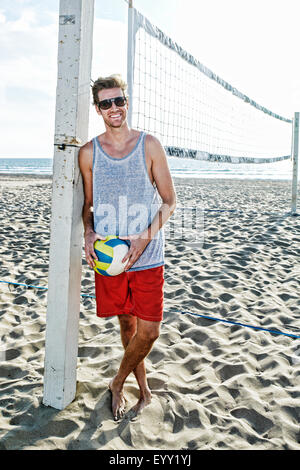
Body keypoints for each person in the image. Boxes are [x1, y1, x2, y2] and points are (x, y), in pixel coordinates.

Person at [78, 74, 176, 420]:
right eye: (106, 103)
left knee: (149, 331)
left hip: (147, 255)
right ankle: (144, 389)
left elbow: (169, 201)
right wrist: (88, 233)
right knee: (126, 328)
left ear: (127, 102)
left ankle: (117, 382)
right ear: (98, 109)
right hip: (110, 260)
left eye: (119, 100)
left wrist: (143, 238)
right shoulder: (88, 153)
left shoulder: (149, 145)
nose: (114, 108)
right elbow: (88, 205)